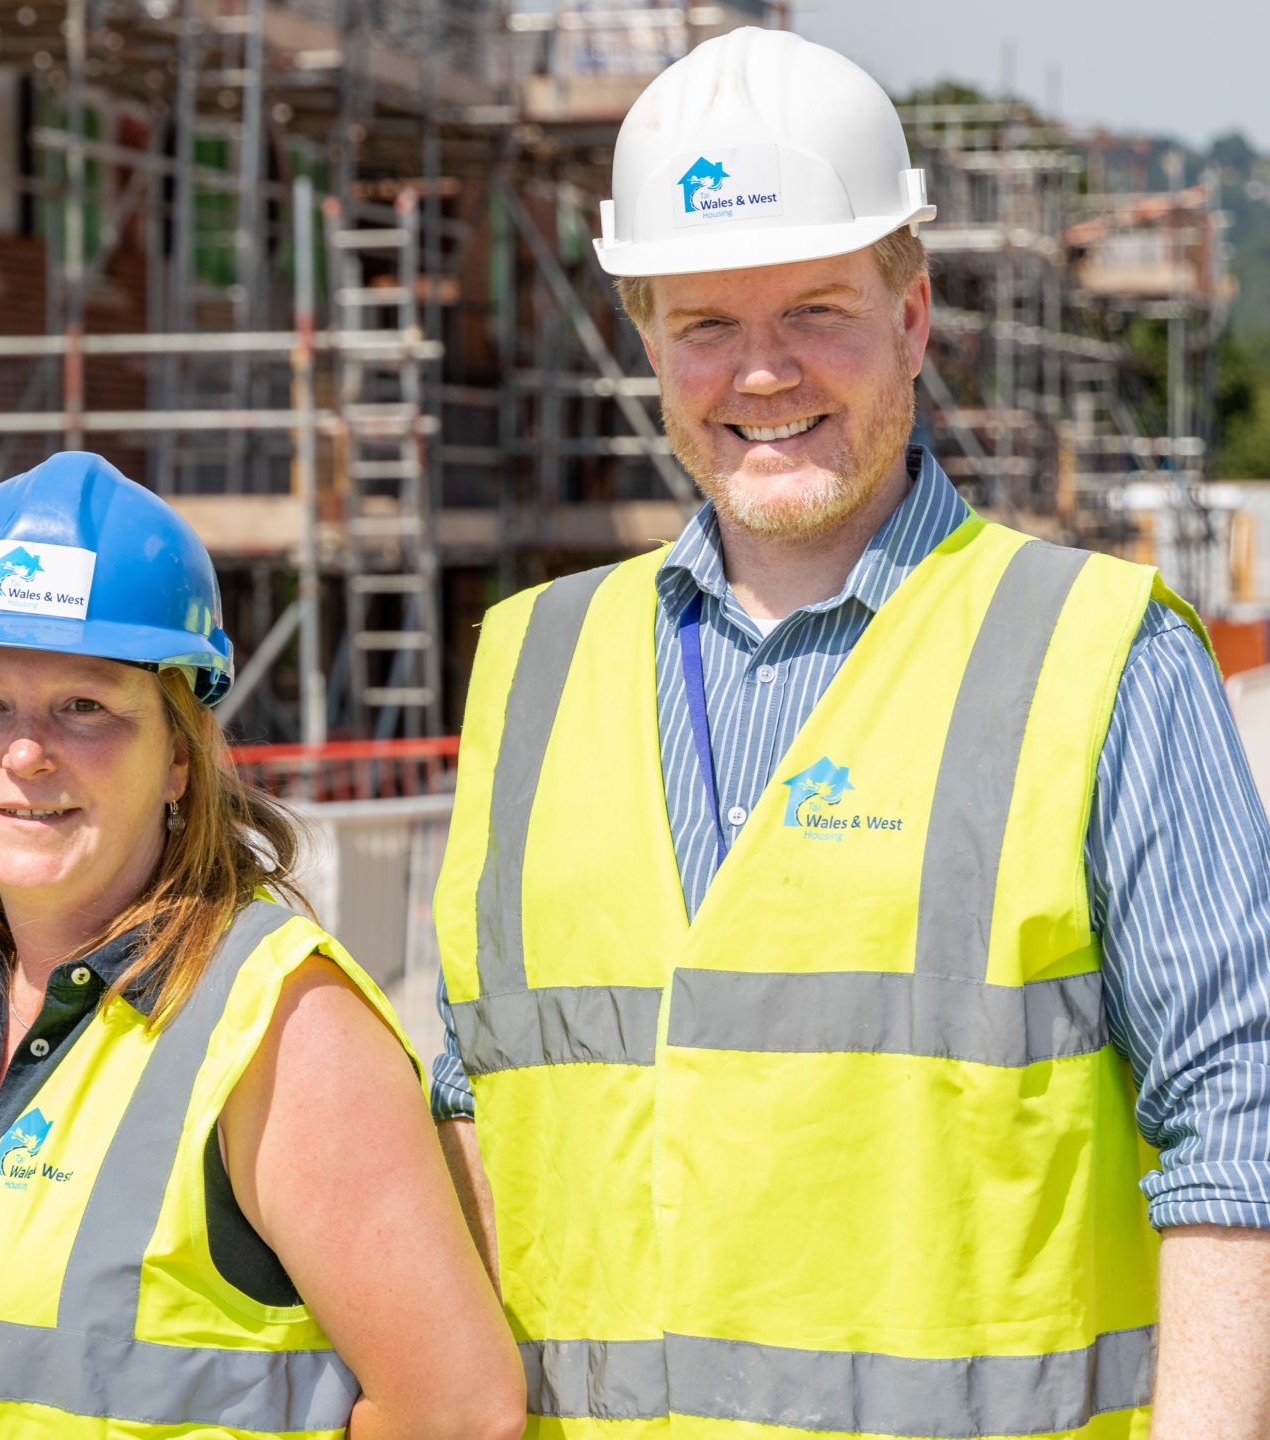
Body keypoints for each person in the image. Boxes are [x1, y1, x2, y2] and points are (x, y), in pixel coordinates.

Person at [430, 27, 1270, 1438]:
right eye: (705, 324)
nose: (761, 375)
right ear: (647, 341)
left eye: (816, 310)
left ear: (915, 318)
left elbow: (1236, 1126)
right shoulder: (528, 662)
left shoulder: (1098, 656)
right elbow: (480, 1104)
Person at [0, 452, 523, 1440]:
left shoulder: (282, 1028)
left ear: (180, 757)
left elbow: (454, 1415)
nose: (25, 752)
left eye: (86, 706)